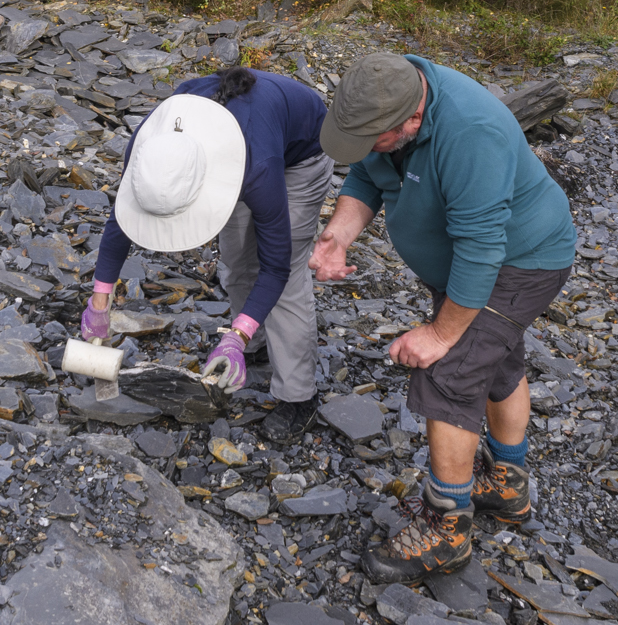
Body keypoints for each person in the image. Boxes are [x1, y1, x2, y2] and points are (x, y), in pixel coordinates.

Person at [311, 51, 577, 584]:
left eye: (373, 137)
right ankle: (506, 484)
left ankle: (446, 528)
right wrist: (336, 236)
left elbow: (482, 249)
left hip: (519, 260)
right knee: (497, 360)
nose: (361, 149)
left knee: (449, 371)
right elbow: (368, 173)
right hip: (470, 264)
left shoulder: (472, 133)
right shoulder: (392, 96)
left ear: (411, 120)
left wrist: (439, 333)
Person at [83, 67, 334, 444]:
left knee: (287, 278)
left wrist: (235, 335)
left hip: (302, 153)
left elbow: (278, 265)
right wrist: (100, 300)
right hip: (240, 140)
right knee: (235, 260)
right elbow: (121, 222)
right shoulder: (150, 147)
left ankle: (298, 396)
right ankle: (256, 341)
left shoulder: (258, 167)